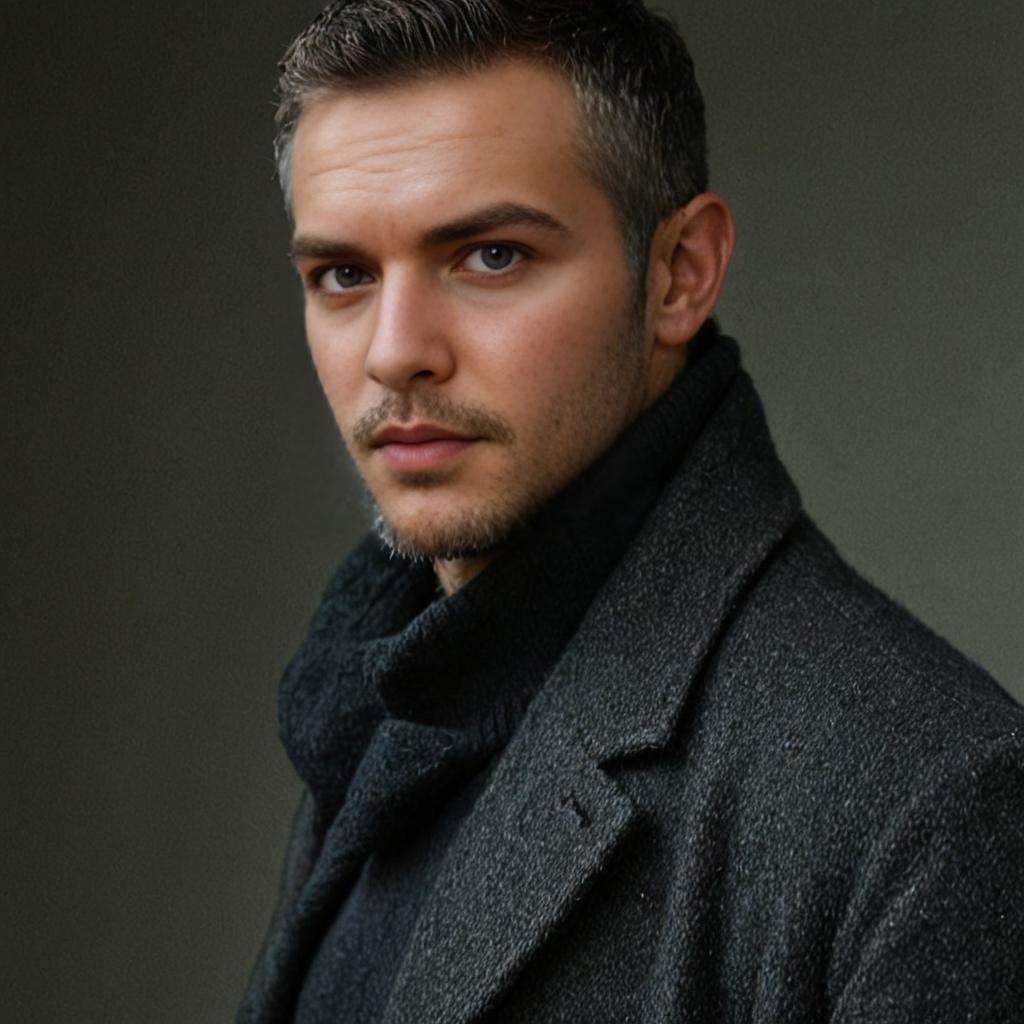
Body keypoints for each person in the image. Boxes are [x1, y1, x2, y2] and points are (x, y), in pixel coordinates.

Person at [239, 2, 1024, 1021]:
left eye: (489, 256)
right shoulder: (377, 701)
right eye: (342, 274)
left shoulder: (933, 803)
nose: (393, 350)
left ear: (678, 274)